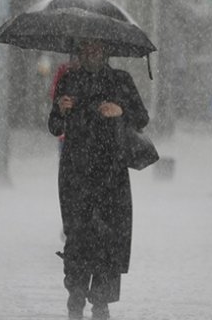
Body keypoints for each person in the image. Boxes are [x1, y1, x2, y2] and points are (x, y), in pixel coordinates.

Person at [48, 39, 149, 320]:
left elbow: (142, 118)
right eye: (86, 48)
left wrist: (121, 112)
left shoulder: (121, 80)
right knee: (78, 236)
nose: (91, 53)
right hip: (75, 172)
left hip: (111, 172)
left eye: (97, 48)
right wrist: (61, 108)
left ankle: (101, 302)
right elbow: (54, 125)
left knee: (109, 237)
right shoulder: (69, 80)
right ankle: (76, 296)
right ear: (80, 51)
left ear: (106, 51)